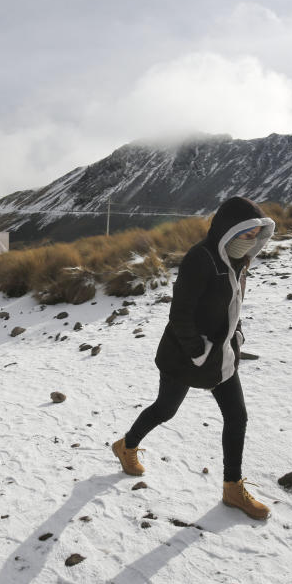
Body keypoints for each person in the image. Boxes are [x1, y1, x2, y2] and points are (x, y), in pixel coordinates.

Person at [111, 196, 276, 520]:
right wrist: (200, 352)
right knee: (165, 410)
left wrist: (236, 335)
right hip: (184, 356)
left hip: (222, 354)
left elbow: (233, 305)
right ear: (229, 231)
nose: (253, 239)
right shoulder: (200, 259)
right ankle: (126, 446)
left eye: (258, 233)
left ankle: (232, 487)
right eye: (248, 233)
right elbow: (180, 315)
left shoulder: (238, 262)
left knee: (237, 416)